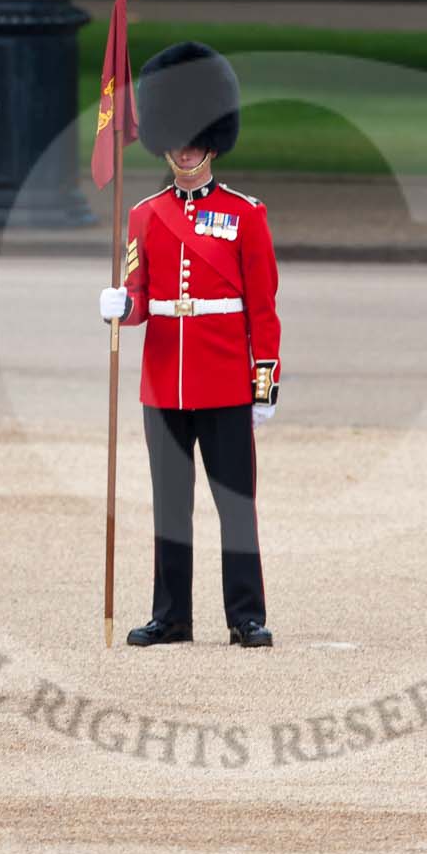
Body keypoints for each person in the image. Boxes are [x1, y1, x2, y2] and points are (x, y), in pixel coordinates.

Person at [98, 42, 281, 648]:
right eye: (174, 138)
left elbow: (262, 308)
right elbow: (142, 297)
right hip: (165, 380)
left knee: (234, 504)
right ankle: (171, 615)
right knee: (170, 507)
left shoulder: (246, 215)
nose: (183, 150)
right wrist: (121, 307)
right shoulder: (145, 215)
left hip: (227, 380)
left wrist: (264, 381)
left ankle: (246, 615)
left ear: (213, 140)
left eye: (192, 138)